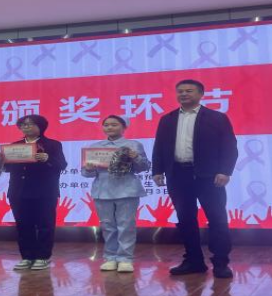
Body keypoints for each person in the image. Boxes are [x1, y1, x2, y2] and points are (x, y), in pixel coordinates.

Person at [152, 80, 238, 278]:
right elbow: (159, 147)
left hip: (209, 177)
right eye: (180, 91)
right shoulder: (167, 119)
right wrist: (157, 170)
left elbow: (229, 147)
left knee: (217, 218)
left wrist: (225, 171)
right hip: (178, 175)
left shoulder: (217, 118)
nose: (183, 94)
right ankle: (193, 261)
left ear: (201, 94)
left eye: (189, 91)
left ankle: (221, 263)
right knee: (185, 219)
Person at [0, 115, 67, 271]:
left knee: (45, 225)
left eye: (31, 124)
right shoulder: (14, 146)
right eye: (23, 125)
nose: (26, 127)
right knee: (23, 225)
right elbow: (8, 168)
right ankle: (27, 257)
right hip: (18, 191)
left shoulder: (52, 145)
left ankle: (43, 257)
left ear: (41, 126)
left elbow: (62, 165)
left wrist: (48, 159)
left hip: (44, 191)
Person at [81, 115, 150, 273]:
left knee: (126, 226)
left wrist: (136, 157)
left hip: (127, 189)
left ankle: (125, 258)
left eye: (114, 124)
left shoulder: (134, 145)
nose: (109, 127)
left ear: (124, 127)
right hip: (102, 190)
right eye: (106, 125)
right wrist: (89, 168)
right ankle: (110, 257)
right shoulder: (95, 147)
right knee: (107, 226)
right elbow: (86, 173)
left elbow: (144, 167)